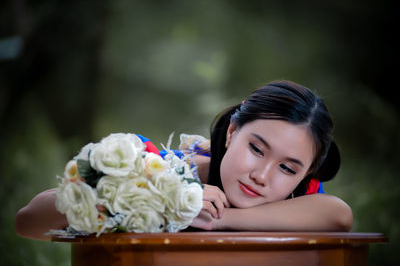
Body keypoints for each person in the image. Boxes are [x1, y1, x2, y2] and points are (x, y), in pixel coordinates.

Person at [15, 80, 353, 241]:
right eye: (257, 149)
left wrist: (219, 220)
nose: (262, 176)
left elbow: (339, 215)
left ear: (305, 173)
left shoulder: (297, 197)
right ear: (233, 132)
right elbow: (28, 221)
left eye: (287, 168)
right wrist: (172, 195)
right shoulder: (163, 167)